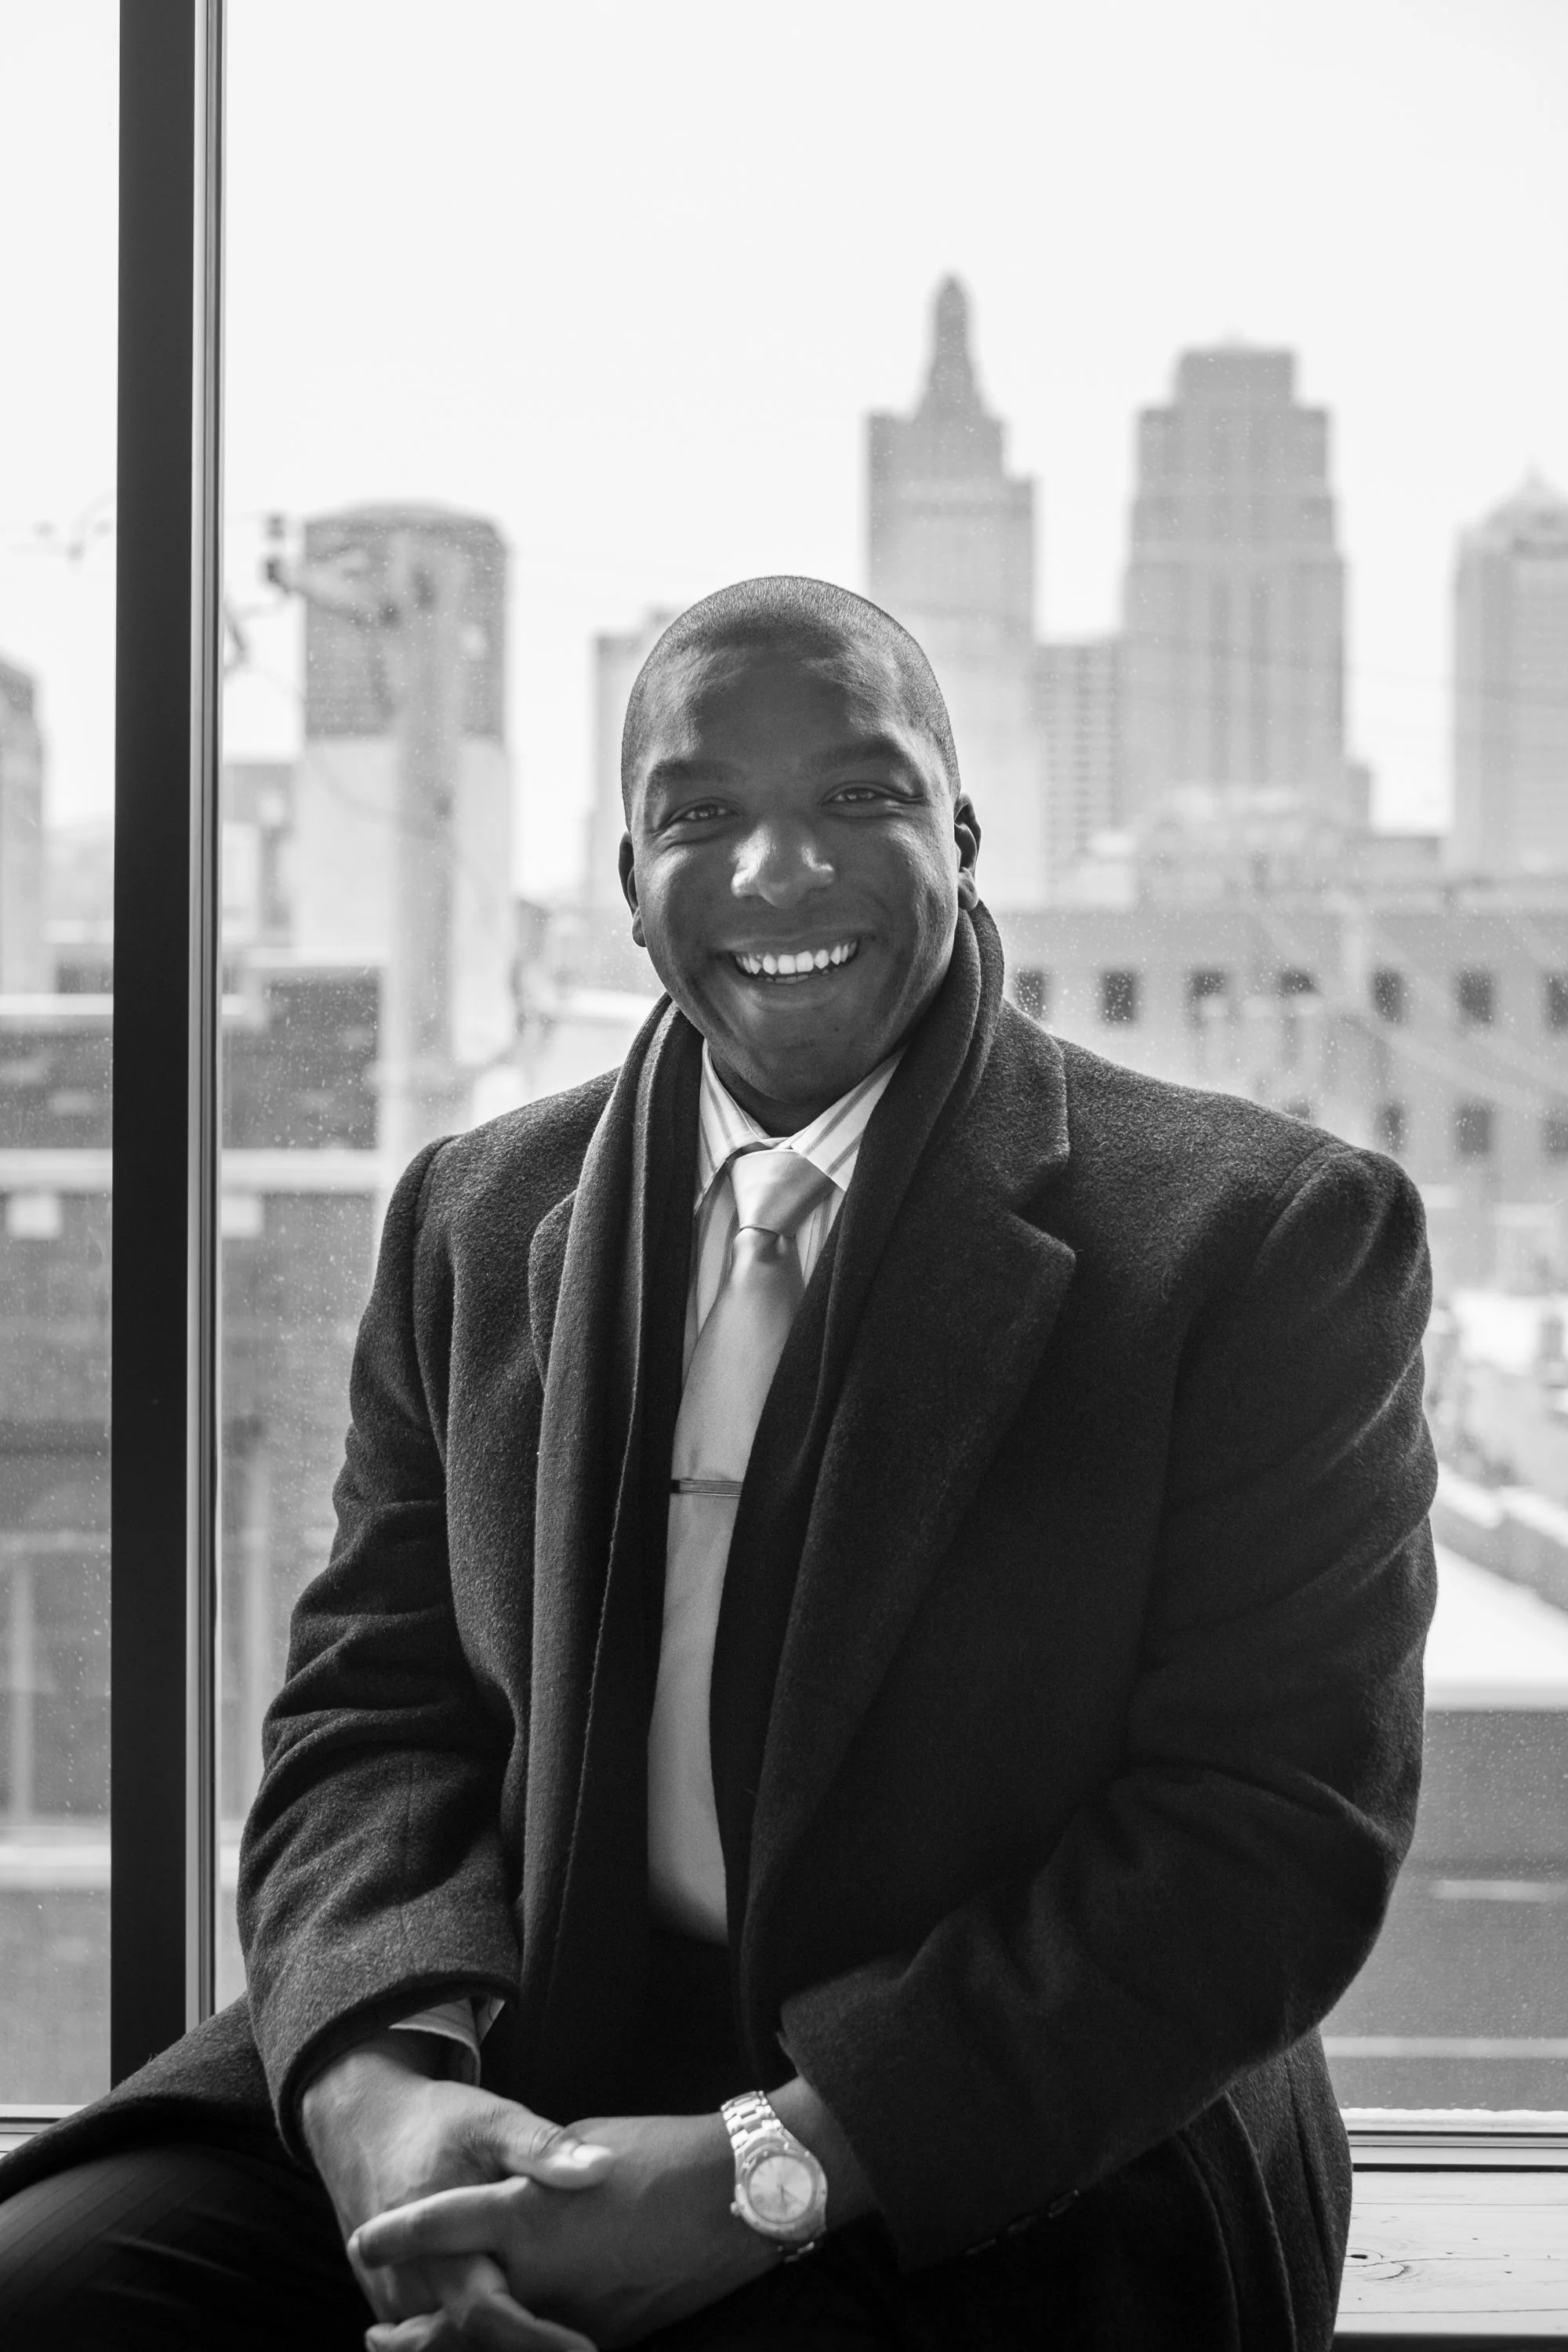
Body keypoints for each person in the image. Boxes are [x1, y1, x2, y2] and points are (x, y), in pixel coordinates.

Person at [0, 576, 1436, 2350]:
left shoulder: (1264, 1238)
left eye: (859, 797)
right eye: (702, 815)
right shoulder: (475, 1213)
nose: (778, 872)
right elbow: (371, 1718)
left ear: (962, 833)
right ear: (626, 880)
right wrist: (383, 2098)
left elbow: (1267, 1844)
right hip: (511, 2037)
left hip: (985, 2122)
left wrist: (774, 2167)